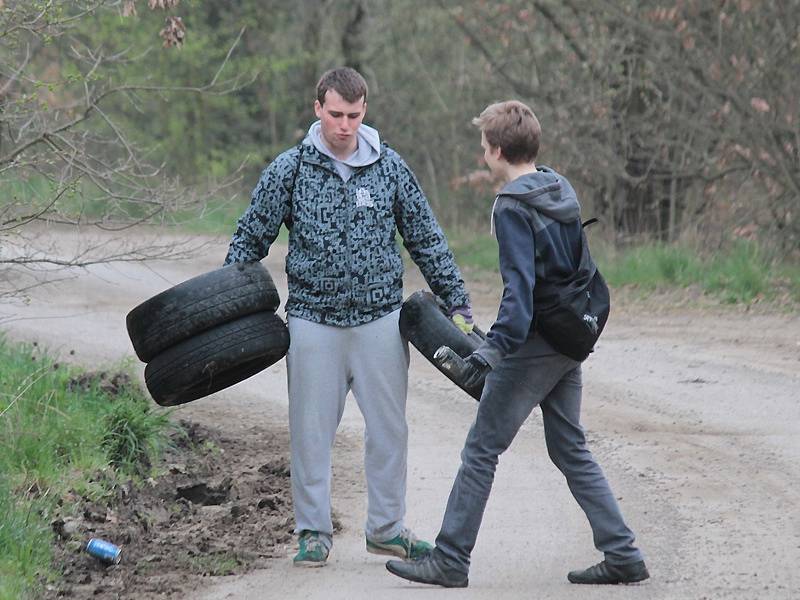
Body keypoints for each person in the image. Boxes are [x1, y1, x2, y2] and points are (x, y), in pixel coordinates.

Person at [386, 100, 649, 587]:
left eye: (484, 146)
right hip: (572, 335)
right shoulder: (557, 185)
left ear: (499, 150)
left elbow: (520, 295)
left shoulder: (511, 206)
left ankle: (449, 559)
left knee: (482, 449)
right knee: (570, 447)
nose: (482, 153)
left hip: (535, 345)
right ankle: (623, 553)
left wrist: (491, 352)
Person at [224, 67, 472, 568]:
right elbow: (250, 240)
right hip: (313, 321)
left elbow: (426, 238)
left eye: (353, 116)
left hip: (381, 319)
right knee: (311, 432)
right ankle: (313, 532)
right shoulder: (289, 170)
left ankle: (386, 529)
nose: (344, 125)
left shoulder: (390, 169)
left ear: (365, 112)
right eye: (335, 114)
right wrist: (223, 311)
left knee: (389, 430)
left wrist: (458, 303)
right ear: (318, 109)